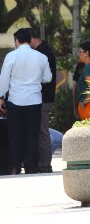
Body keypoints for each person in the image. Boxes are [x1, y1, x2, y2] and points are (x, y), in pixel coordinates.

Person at [0, 28, 52, 174]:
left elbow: (4, 79)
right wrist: (35, 80)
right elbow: (47, 78)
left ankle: (14, 166)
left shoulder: (11, 56)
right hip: (34, 100)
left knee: (15, 135)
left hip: (15, 100)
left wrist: (1, 97)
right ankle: (31, 166)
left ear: (16, 41)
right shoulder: (41, 57)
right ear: (30, 40)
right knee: (32, 135)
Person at [28, 29, 56, 173]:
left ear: (33, 39)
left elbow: (44, 78)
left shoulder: (42, 52)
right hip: (44, 97)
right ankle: (43, 163)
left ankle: (44, 165)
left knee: (42, 132)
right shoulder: (45, 50)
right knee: (41, 131)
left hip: (43, 98)